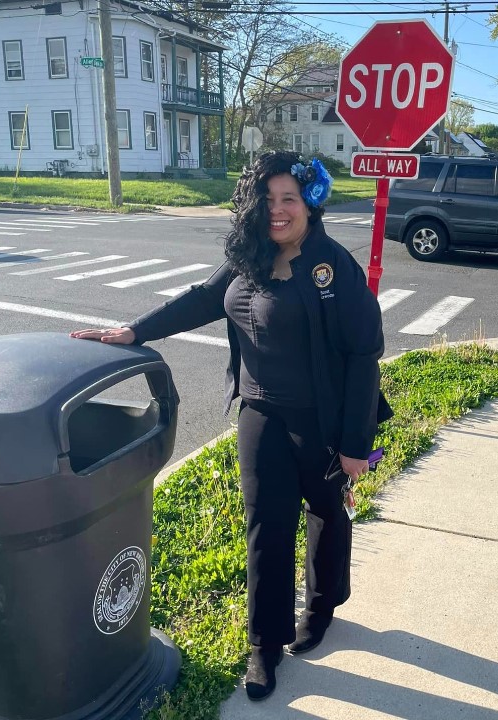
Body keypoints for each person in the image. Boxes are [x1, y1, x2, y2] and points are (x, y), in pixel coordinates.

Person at [70, 150, 392, 701]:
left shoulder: (332, 266)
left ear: (310, 202)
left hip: (323, 420)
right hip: (259, 412)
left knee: (324, 512)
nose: (277, 211)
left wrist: (357, 445)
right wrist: (136, 330)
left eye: (289, 198)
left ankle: (321, 606)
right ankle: (264, 645)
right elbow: (204, 299)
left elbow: (364, 355)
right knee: (265, 526)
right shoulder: (249, 256)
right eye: (266, 200)